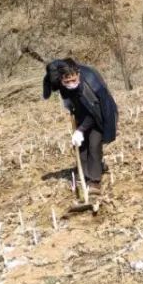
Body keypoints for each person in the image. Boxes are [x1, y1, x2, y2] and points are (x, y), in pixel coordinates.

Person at [43, 58, 118, 193]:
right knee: (81, 147)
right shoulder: (61, 80)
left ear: (78, 74)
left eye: (74, 80)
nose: (71, 84)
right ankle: (84, 175)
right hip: (82, 114)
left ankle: (94, 181)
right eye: (67, 82)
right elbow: (49, 78)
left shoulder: (91, 84)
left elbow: (95, 113)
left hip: (99, 115)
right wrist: (68, 103)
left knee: (94, 144)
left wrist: (80, 129)